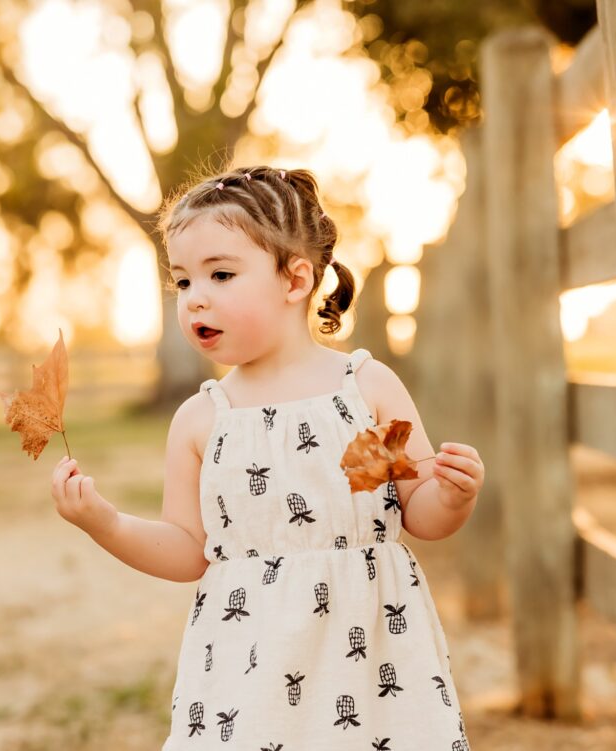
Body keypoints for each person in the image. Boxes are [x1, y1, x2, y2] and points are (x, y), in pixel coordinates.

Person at [51, 165, 485, 749]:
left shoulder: (359, 393)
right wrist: (102, 522)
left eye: (221, 274)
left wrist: (451, 495)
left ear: (295, 279)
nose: (195, 298)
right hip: (248, 663)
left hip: (368, 651)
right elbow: (188, 550)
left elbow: (415, 514)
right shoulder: (205, 420)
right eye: (182, 282)